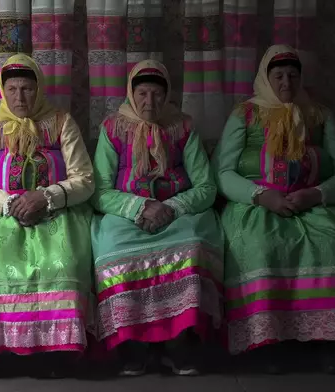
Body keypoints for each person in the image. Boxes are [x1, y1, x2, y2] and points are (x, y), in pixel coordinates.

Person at [212, 45, 335, 374]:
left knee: (330, 240)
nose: (286, 82)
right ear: (266, 78)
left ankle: (326, 341)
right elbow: (222, 172)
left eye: (293, 75)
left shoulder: (319, 114)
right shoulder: (245, 114)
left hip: (311, 201)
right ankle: (267, 342)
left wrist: (317, 194)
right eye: (278, 75)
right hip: (257, 204)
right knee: (260, 244)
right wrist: (260, 196)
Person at [90, 60, 224, 376]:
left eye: (157, 95)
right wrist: (140, 207)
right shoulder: (112, 128)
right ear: (131, 94)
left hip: (177, 213)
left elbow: (206, 186)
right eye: (142, 94)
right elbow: (99, 190)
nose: (150, 103)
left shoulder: (183, 127)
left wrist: (172, 208)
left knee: (190, 247)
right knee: (113, 253)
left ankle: (180, 345)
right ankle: (133, 347)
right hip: (127, 214)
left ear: (167, 96)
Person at [0, 54, 95, 377]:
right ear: (2, 91)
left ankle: (56, 353)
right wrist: (8, 203)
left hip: (56, 214)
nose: (20, 97)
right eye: (12, 89)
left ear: (39, 90)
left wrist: (46, 197)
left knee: (62, 262)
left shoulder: (61, 123)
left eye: (27, 89)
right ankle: (4, 353)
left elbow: (85, 179)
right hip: (1, 216)